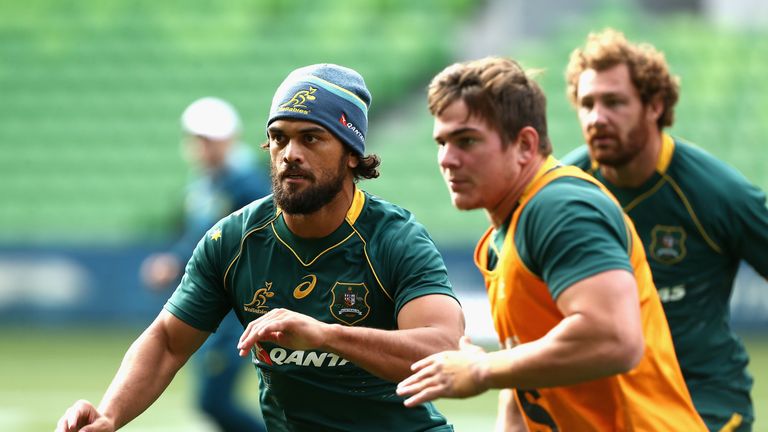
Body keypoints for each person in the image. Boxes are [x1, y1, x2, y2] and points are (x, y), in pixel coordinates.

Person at [56, 64, 465, 432]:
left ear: (352, 154)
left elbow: (442, 348)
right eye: (278, 138)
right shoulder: (232, 240)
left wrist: (326, 337)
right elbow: (167, 341)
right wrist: (110, 415)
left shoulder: (395, 239)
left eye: (311, 138)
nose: (290, 155)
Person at [395, 56, 706, 431]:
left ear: (525, 144)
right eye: (441, 142)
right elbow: (524, 372)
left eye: (466, 140)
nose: (447, 159)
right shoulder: (504, 233)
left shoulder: (559, 207)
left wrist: (481, 368)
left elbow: (614, 339)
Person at [561, 28, 768, 432]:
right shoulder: (564, 192)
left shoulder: (718, 194)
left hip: (700, 399)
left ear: (654, 105)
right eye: (587, 104)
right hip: (603, 399)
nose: (597, 117)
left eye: (614, 102)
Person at [140, 96, 269, 432]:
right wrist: (175, 260)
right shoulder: (204, 184)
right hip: (212, 302)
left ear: (229, 139)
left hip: (235, 305)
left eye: (209, 139)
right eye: (198, 139)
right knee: (211, 400)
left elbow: (235, 240)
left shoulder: (247, 184)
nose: (202, 147)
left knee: (212, 401)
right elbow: (200, 236)